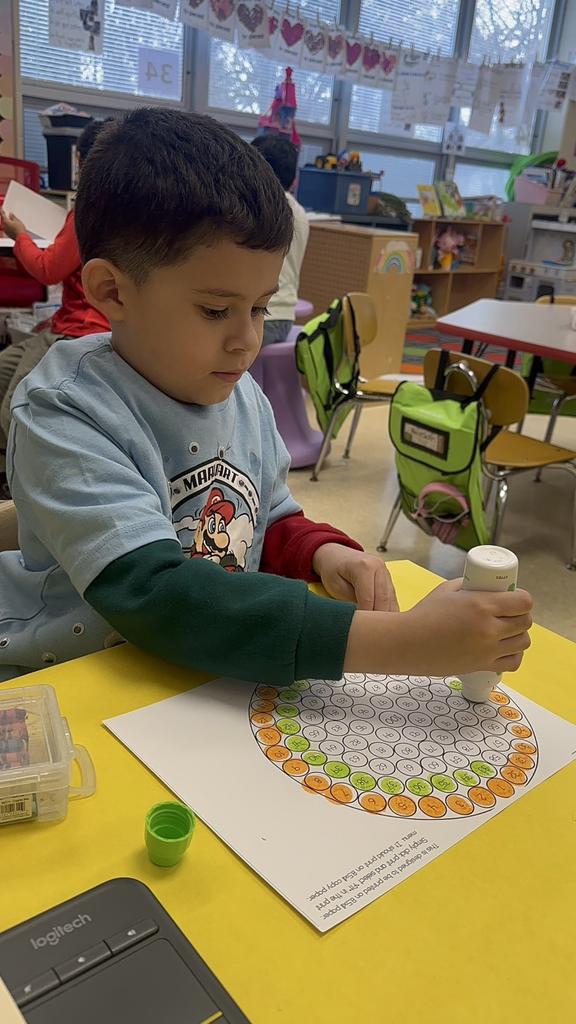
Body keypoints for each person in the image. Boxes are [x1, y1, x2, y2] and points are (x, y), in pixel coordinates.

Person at [0, 108, 532, 685]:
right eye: (215, 310)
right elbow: (153, 594)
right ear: (111, 291)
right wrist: (402, 643)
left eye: (259, 307)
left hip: (199, 674)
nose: (248, 340)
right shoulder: (65, 411)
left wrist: (322, 553)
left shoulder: (239, 395)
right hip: (74, 681)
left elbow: (265, 515)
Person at [0, 119, 110, 493]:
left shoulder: (90, 212)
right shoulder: (117, 210)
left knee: (13, 410)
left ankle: (20, 489)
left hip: (78, 331)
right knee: (5, 371)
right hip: (68, 325)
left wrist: (19, 237)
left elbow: (49, 269)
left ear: (82, 161)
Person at [251, 133, 309, 346]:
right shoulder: (300, 213)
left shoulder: (255, 206)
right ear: (294, 181)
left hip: (261, 317)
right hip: (285, 316)